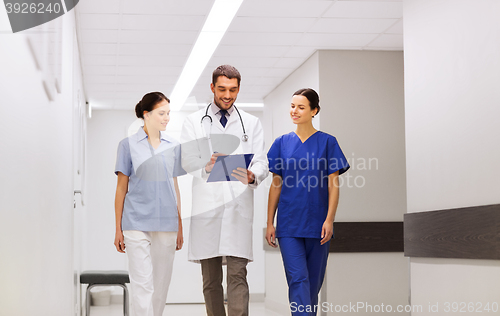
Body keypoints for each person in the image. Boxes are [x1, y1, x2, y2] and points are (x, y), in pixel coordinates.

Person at [180, 65, 269, 316]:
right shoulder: (194, 121)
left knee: (238, 275)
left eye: (233, 90)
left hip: (237, 208)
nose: (227, 95)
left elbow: (261, 161)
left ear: (239, 88)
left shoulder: (251, 123)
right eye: (222, 89)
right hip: (207, 209)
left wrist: (254, 174)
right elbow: (187, 160)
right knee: (210, 281)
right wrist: (205, 165)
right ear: (212, 88)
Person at [265, 88, 350, 316]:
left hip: (318, 223)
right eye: (293, 106)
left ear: (314, 111)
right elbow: (276, 184)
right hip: (289, 224)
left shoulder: (327, 143)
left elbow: (334, 184)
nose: (295, 111)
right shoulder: (281, 143)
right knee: (298, 279)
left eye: (301, 107)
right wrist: (270, 222)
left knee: (313, 283)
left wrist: (330, 220)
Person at [114, 92, 184, 316]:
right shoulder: (127, 145)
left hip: (167, 223)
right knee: (142, 285)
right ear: (146, 115)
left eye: (168, 114)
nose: (166, 118)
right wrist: (118, 228)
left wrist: (180, 223)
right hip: (135, 222)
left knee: (160, 286)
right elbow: (121, 188)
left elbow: (174, 186)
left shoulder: (174, 145)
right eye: (161, 113)